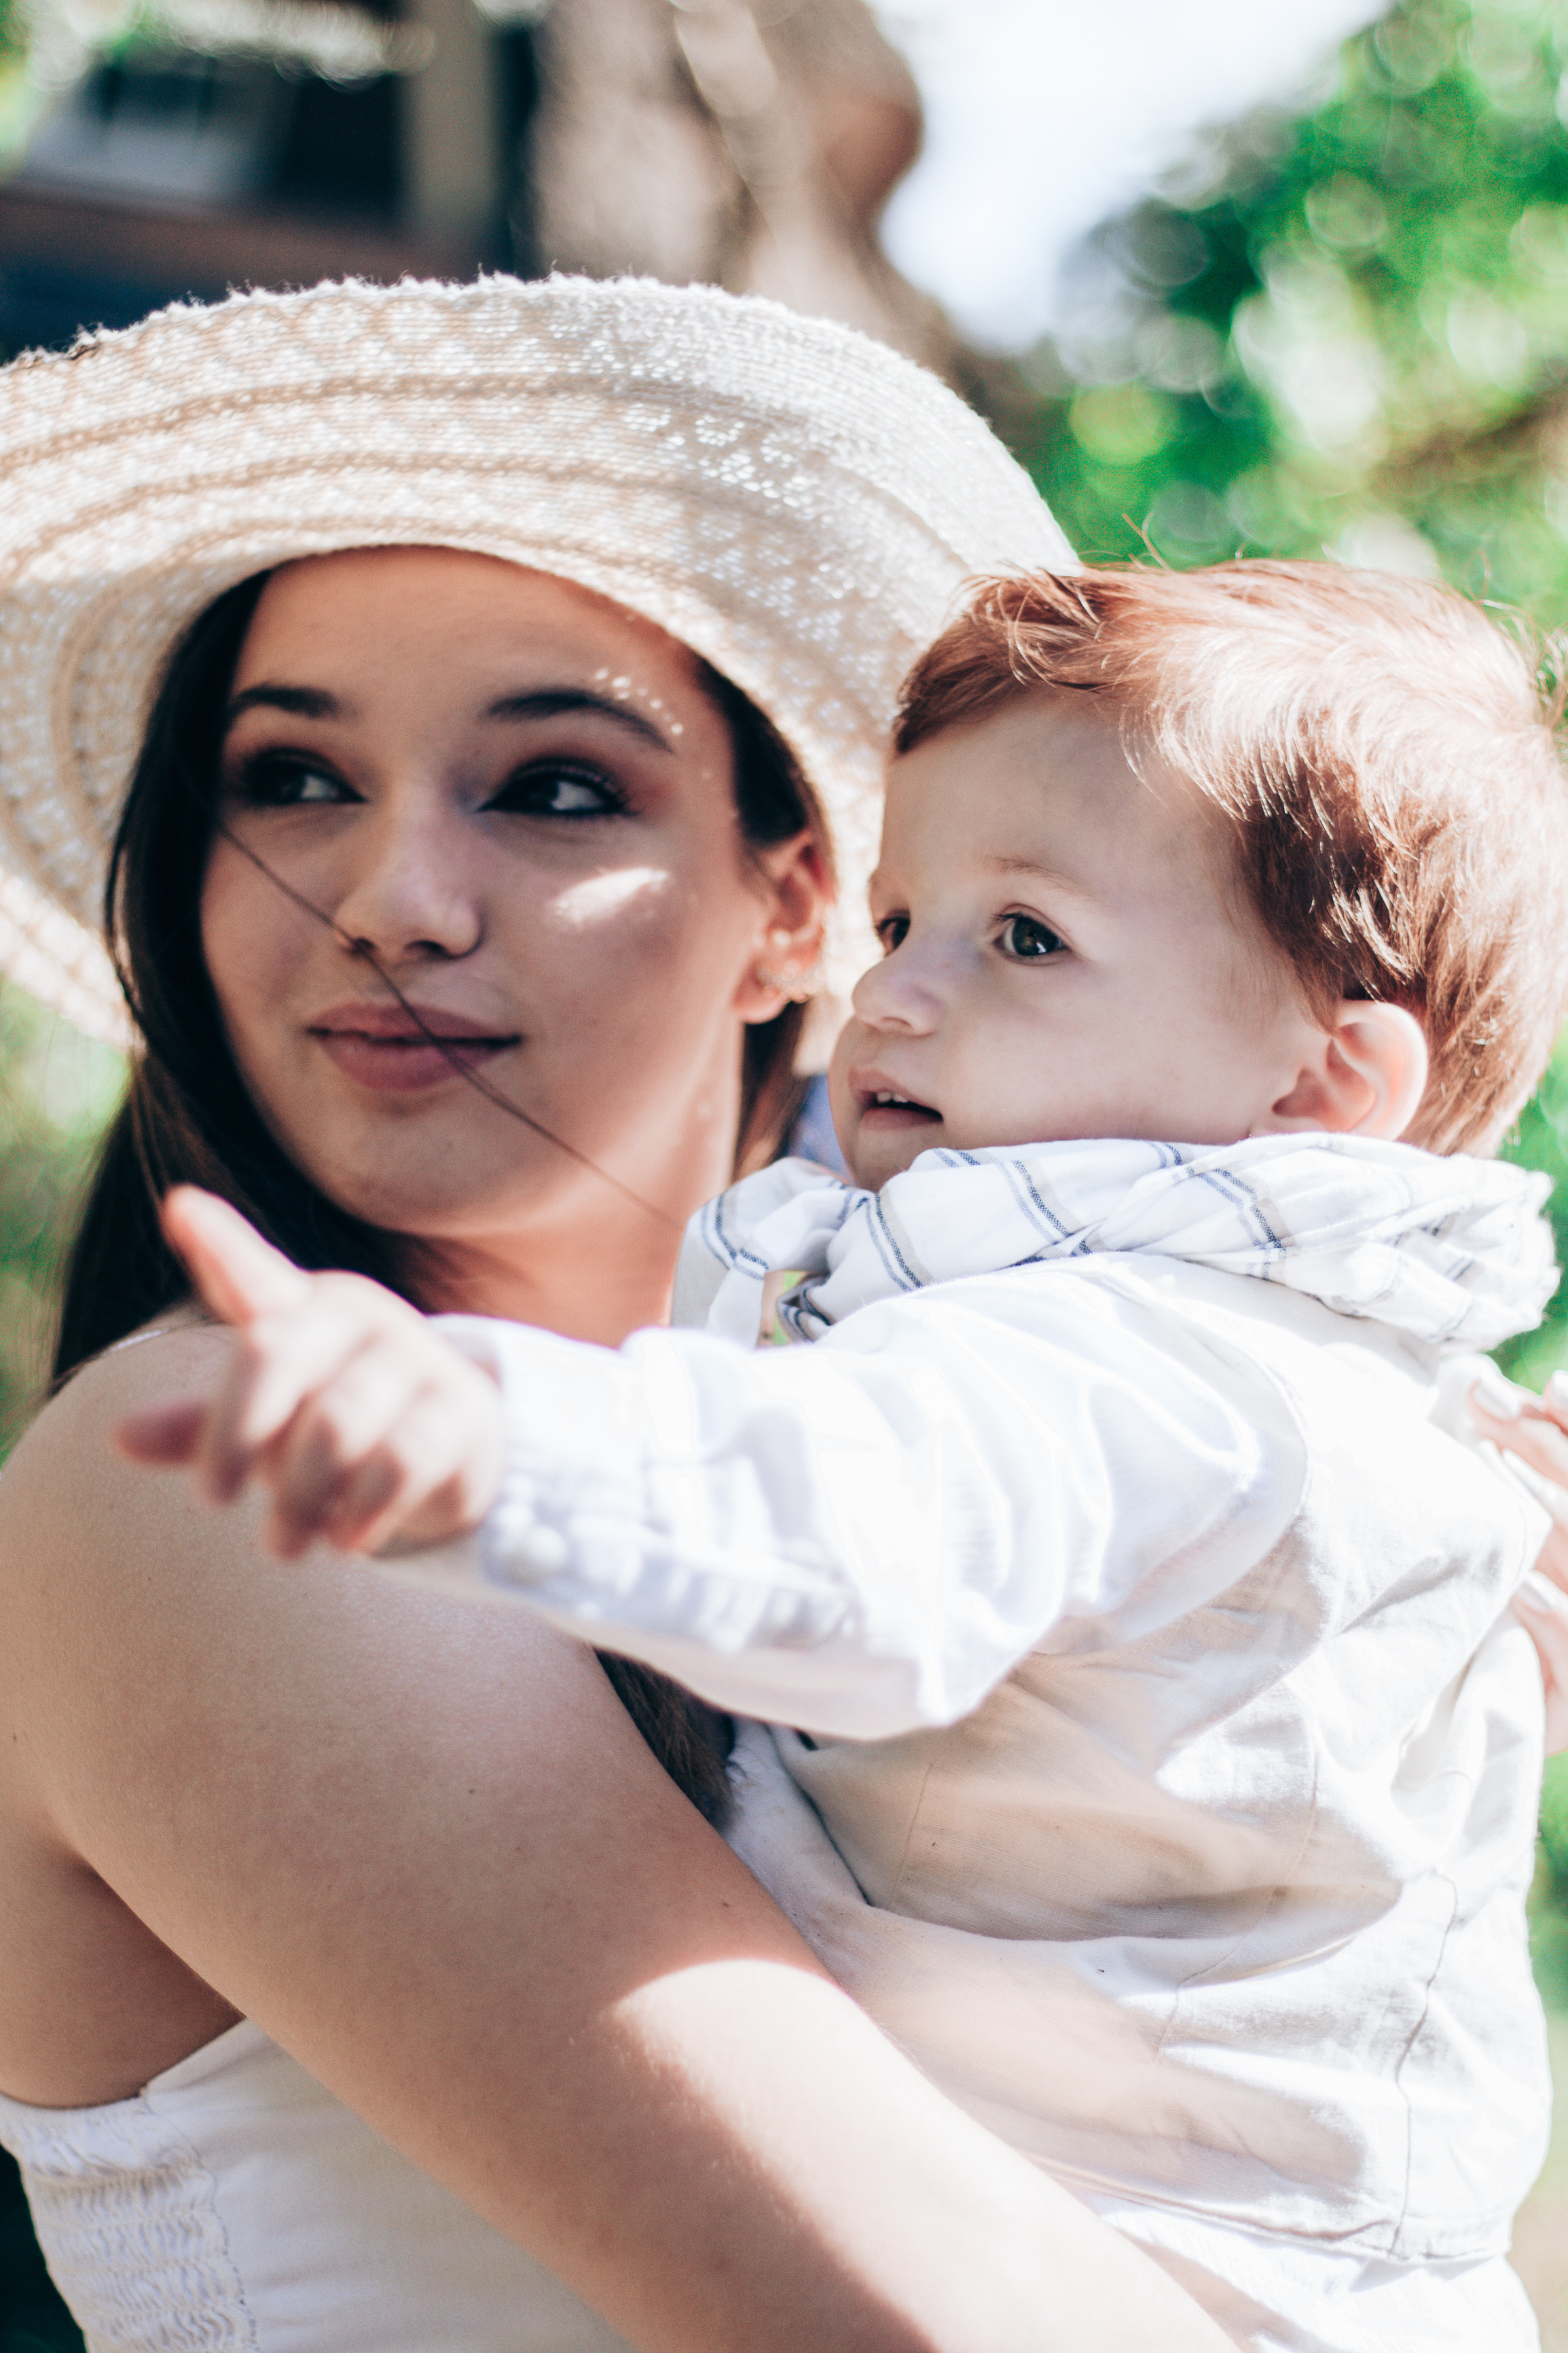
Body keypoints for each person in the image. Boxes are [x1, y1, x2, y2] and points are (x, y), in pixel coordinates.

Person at [0, 274, 1241, 2352]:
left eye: (554, 789)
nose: (392, 899)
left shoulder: (963, 1478)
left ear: (795, 910)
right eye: (290, 779)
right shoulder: (216, 1475)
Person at [149, 562, 1568, 2352]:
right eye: (906, 922)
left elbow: (868, 1540)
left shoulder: (1127, 1351)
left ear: (1320, 1084)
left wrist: (494, 1447)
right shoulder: (1285, 1370)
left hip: (1195, 2265)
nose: (891, 995)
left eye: (1025, 937)